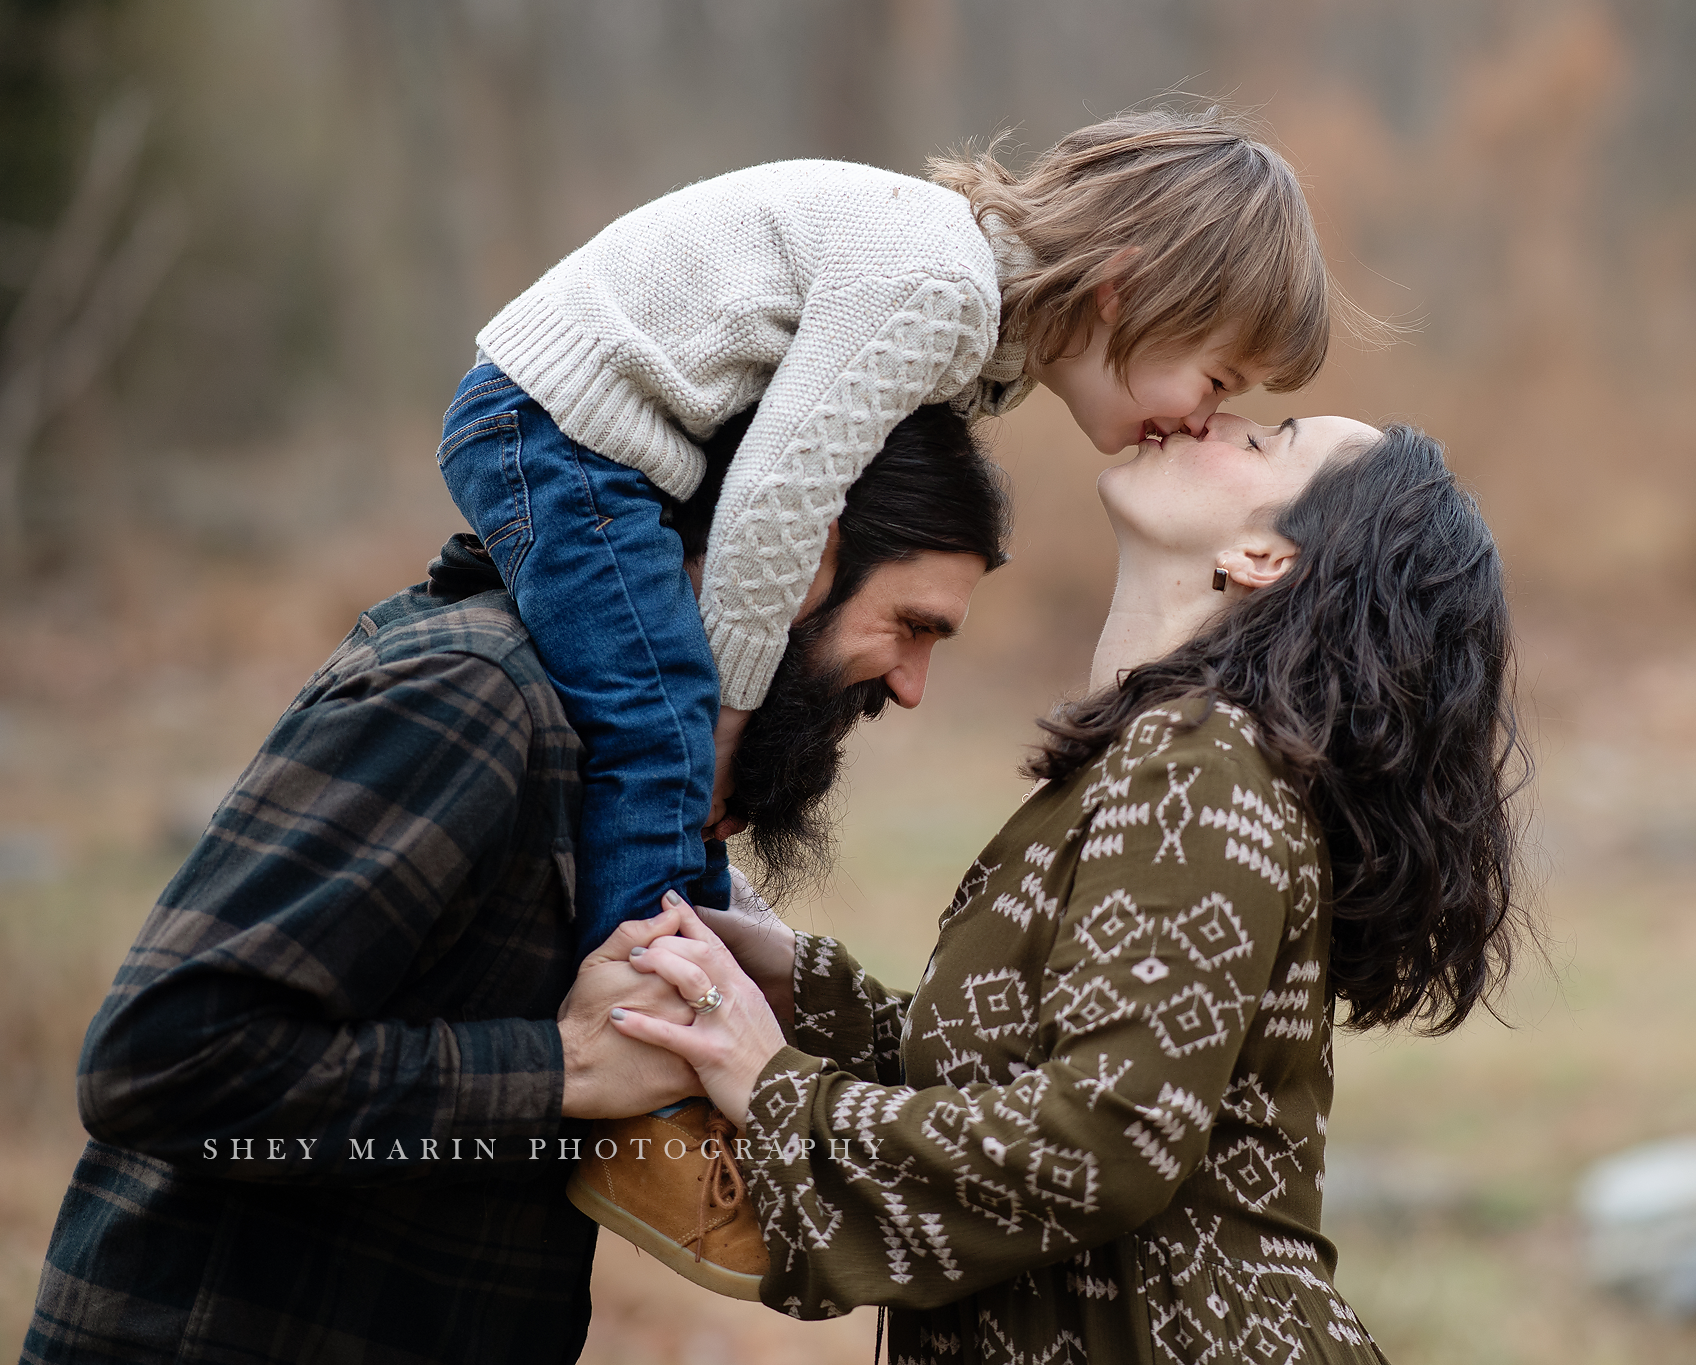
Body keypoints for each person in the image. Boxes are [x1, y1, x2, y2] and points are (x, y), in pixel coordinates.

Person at [21, 408, 1010, 1365]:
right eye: (910, 627)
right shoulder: (477, 698)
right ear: (799, 556)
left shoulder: (633, 773)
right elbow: (160, 1063)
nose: (912, 686)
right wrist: (557, 1071)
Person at [604, 413, 1528, 1362]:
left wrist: (772, 1087)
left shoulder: (1199, 760)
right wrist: (802, 989)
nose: (1216, 418)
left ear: (1264, 555)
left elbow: (1103, 1139)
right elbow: (1031, 1073)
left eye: (1264, 442)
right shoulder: (1165, 755)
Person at [440, 106, 1332, 962]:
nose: (1205, 419)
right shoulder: (940, 291)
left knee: (670, 724)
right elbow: (776, 495)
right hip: (559, 430)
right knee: (660, 719)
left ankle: (687, 944)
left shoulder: (985, 339)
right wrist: (730, 716)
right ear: (1123, 291)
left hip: (604, 444)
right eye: (1216, 379)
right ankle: (634, 1007)